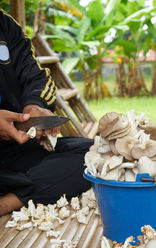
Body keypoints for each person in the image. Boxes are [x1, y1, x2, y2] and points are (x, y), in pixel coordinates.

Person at [0, 9, 93, 216]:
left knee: (93, 154)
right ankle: (30, 187)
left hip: (14, 150)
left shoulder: (7, 26)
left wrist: (34, 106)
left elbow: (37, 78)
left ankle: (9, 201)